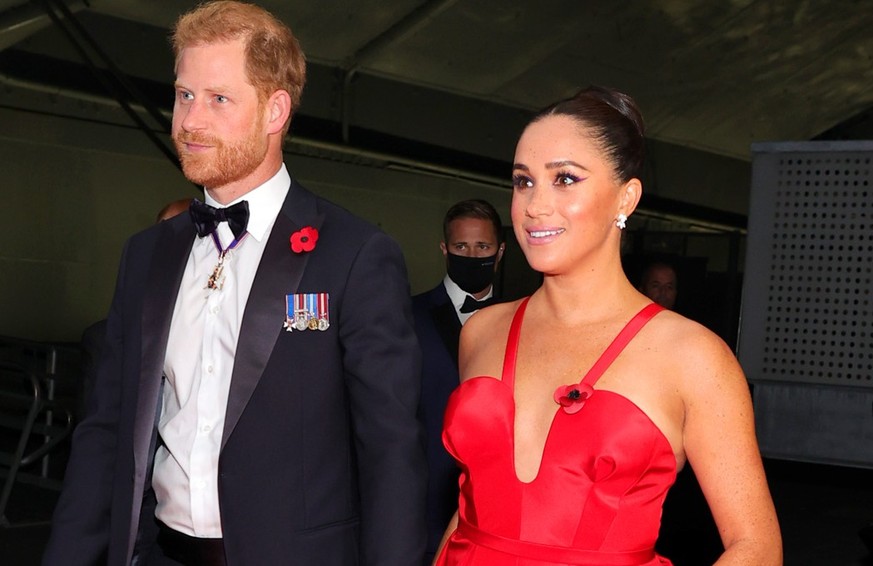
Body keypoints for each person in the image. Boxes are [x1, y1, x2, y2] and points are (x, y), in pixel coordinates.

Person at [43, 2, 426, 565]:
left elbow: (391, 454)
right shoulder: (146, 254)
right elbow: (105, 434)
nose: (190, 121)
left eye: (218, 99)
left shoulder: (354, 255)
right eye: (183, 95)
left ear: (275, 111)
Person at [434, 86, 781, 565]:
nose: (535, 205)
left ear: (626, 197)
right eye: (523, 181)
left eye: (566, 179)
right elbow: (470, 512)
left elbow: (756, 546)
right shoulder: (481, 331)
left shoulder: (692, 356)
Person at [412, 199, 505, 561]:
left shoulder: (525, 321)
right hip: (424, 502)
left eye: (482, 247)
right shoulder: (407, 315)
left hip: (496, 509)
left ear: (499, 252)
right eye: (461, 247)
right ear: (444, 250)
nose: (472, 255)